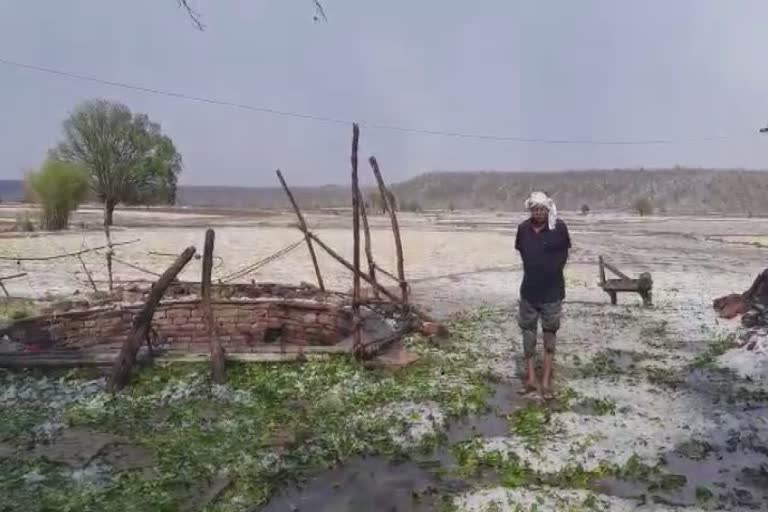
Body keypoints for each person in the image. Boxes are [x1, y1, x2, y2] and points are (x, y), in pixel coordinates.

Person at [515, 191, 571, 399]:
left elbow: (563, 256)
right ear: (530, 210)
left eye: (542, 209)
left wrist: (548, 271)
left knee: (549, 337)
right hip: (529, 292)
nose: (538, 212)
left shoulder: (558, 228)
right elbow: (523, 252)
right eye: (534, 209)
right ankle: (530, 380)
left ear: (548, 210)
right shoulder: (523, 229)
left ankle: (546, 382)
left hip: (552, 293)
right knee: (528, 336)